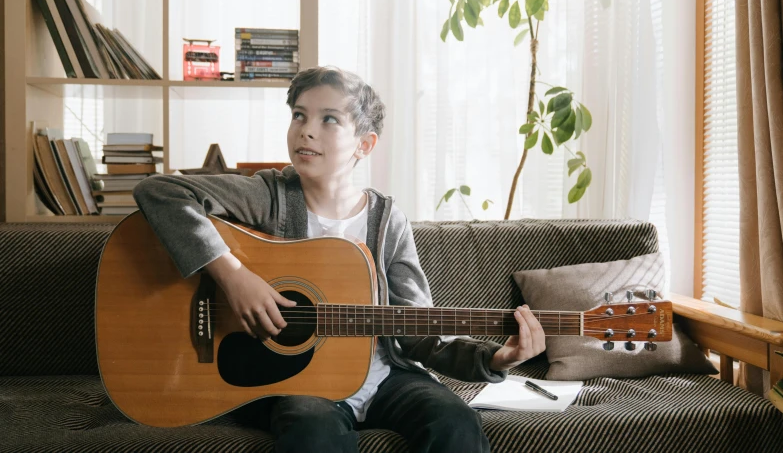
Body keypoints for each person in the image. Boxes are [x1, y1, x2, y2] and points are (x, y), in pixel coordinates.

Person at [133, 66, 546, 453]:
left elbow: (418, 327)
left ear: (364, 145)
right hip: (295, 380)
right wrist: (233, 276)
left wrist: (496, 358)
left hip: (386, 377)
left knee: (455, 422)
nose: (307, 131)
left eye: (329, 119)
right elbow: (161, 192)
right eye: (299, 115)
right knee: (312, 430)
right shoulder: (269, 195)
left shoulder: (387, 221)